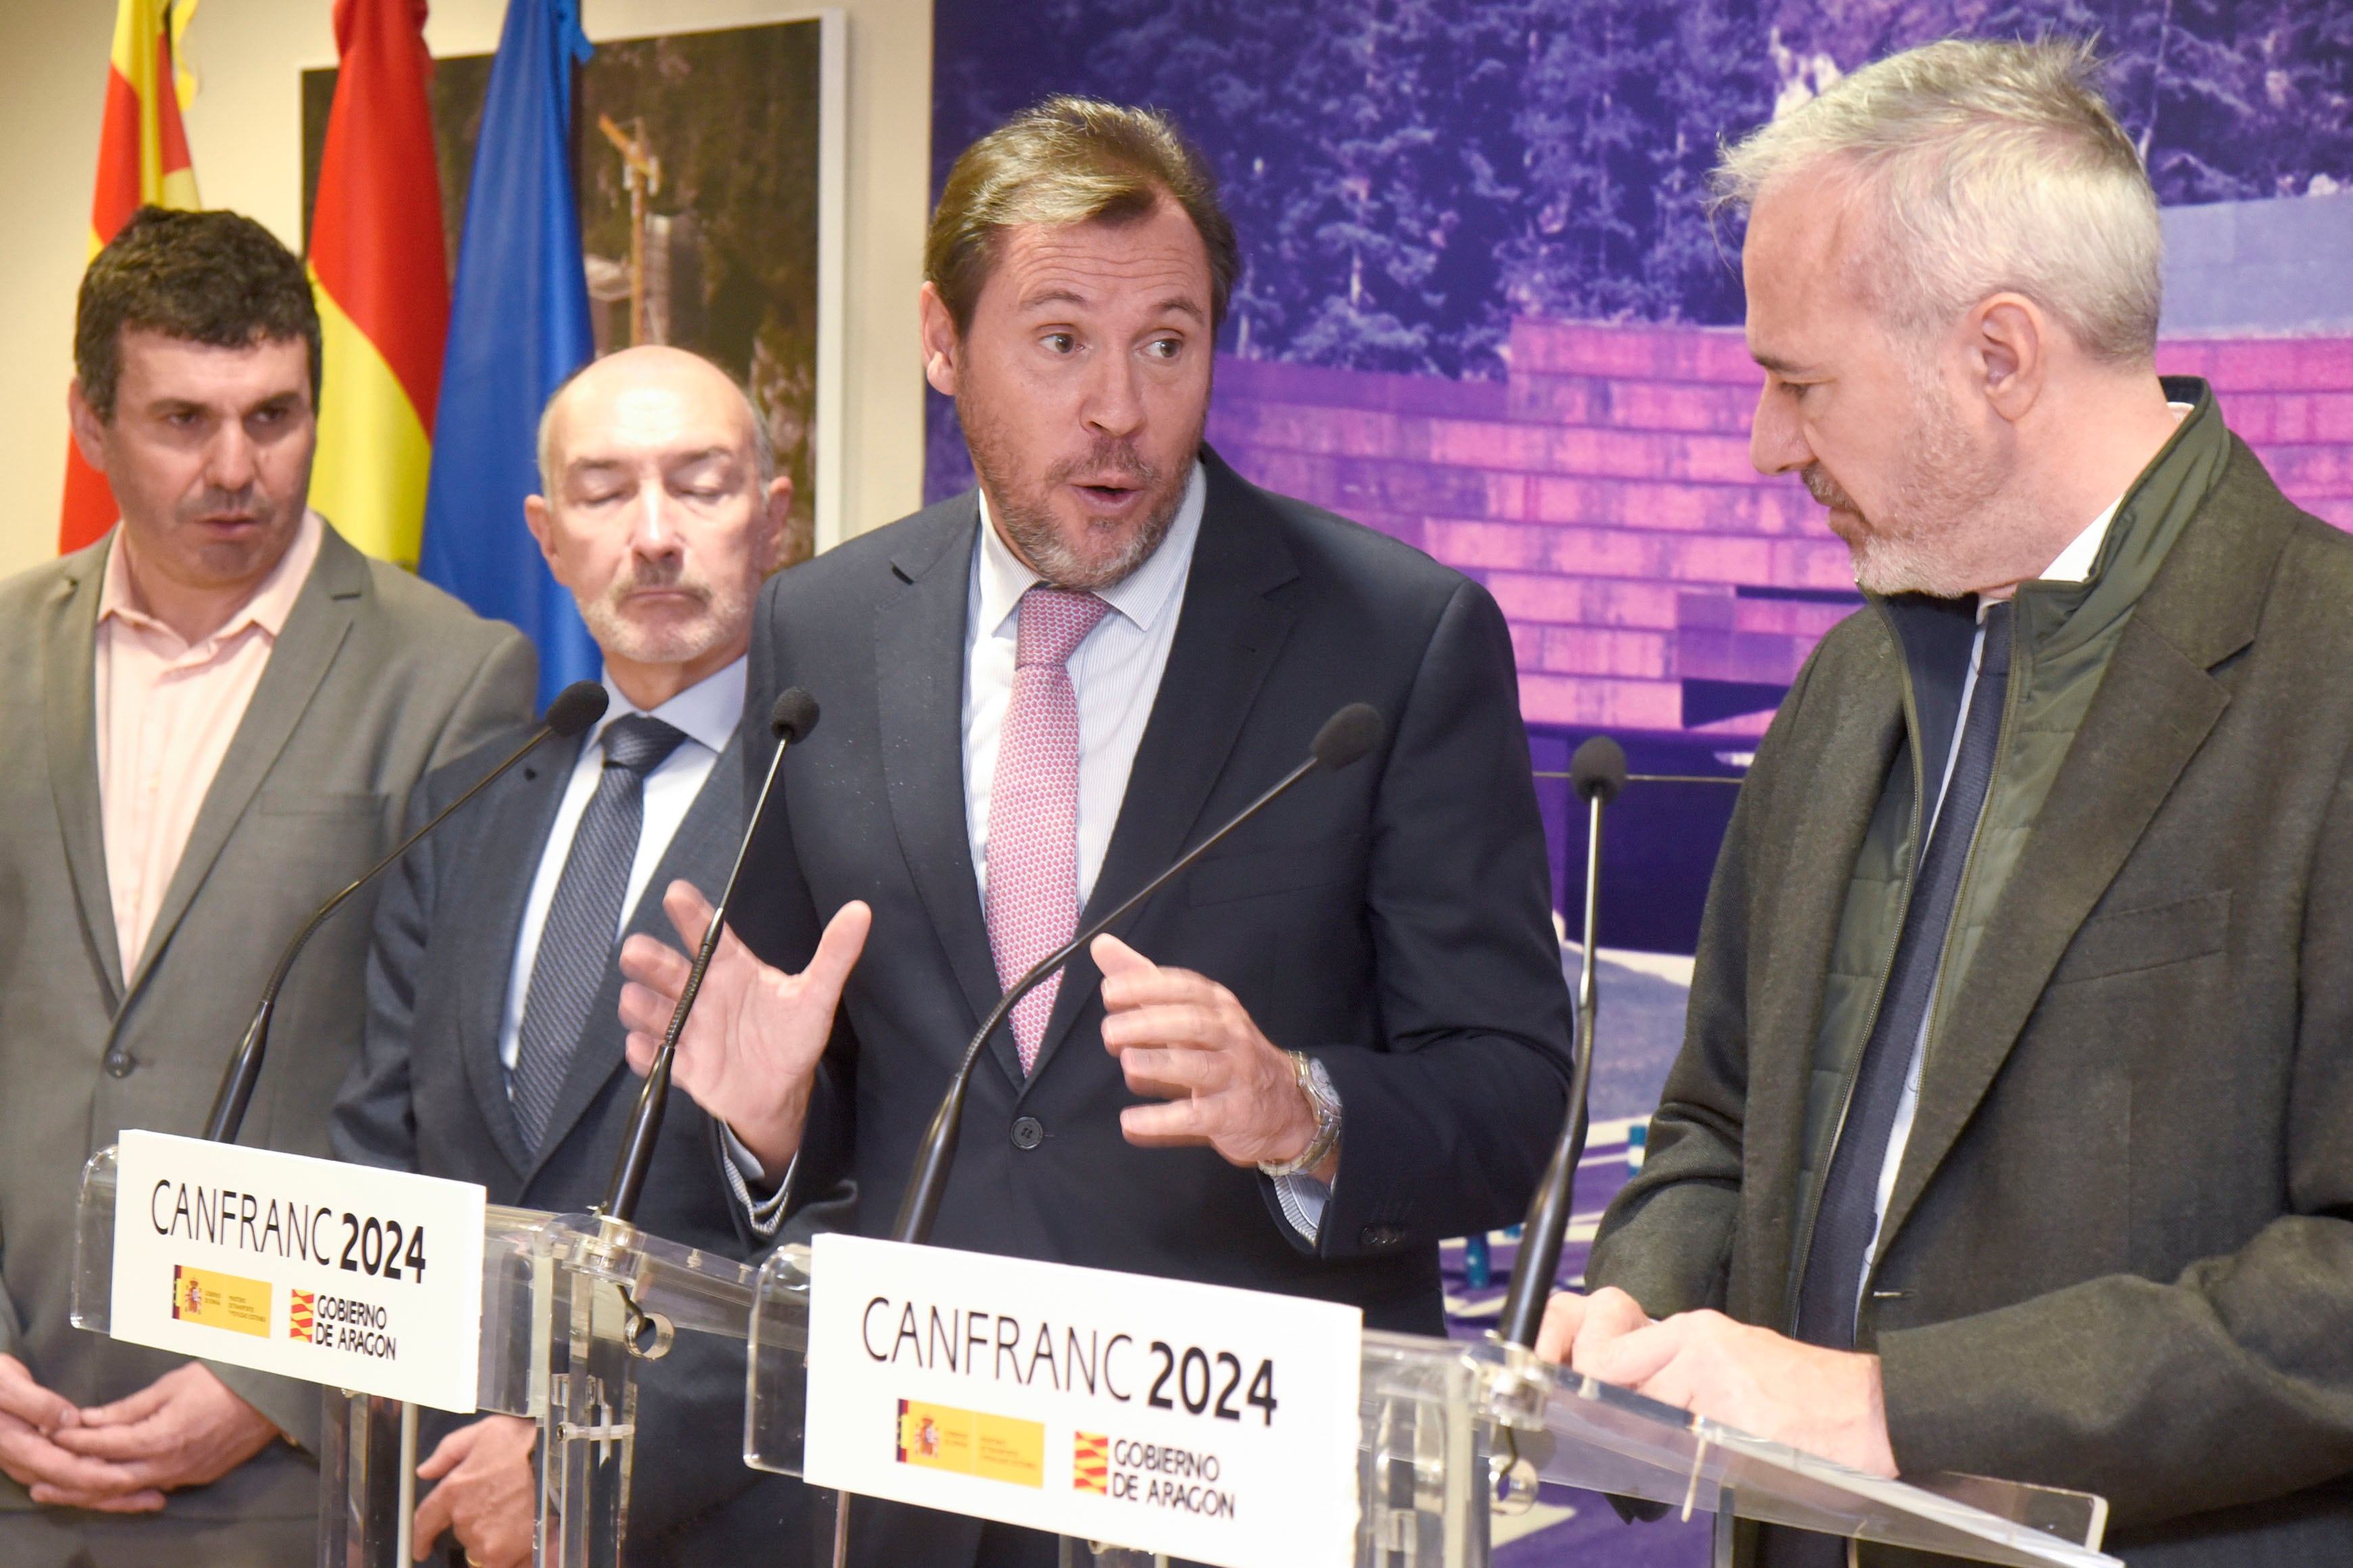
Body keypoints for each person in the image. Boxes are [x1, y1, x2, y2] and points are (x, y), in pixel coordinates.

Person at [617, 97, 1577, 1566]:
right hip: (914, 1489)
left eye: (1168, 343)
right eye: (1061, 340)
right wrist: (768, 1125)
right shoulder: (824, 627)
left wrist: (1304, 1111)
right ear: (944, 341)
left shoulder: (1392, 642)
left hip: (1239, 1502)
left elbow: (1511, 1096)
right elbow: (838, 1098)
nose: (1121, 407)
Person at [1535, 37, 2353, 1566]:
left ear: (1999, 356)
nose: (1768, 444)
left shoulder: (2330, 676)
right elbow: (1719, 1117)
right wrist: (1647, 1299)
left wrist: (1891, 1404)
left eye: (1800, 384)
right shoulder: (1849, 685)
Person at [0, 206, 536, 1565]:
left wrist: (277, 1376)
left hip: (276, 1486)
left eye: (276, 414)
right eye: (183, 418)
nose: (237, 467)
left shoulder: (453, 678)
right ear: (89, 419)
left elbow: (449, 1098)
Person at [332, 346, 817, 1568]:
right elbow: (382, 1166)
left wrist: (576, 1453)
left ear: (773, 521)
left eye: (699, 487)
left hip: (715, 1519)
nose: (653, 535)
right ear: (550, 539)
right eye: (605, 495)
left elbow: (861, 1226)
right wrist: (469, 1447)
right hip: (445, 1508)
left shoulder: (846, 818)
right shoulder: (466, 807)